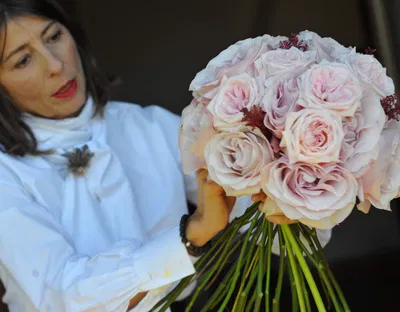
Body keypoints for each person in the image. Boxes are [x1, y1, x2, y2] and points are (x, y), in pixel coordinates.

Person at [0, 1, 331, 311]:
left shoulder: (150, 126)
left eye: (54, 36)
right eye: (22, 60)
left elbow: (288, 235)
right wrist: (191, 237)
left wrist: (287, 184)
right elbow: (63, 295)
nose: (56, 66)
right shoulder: (6, 175)